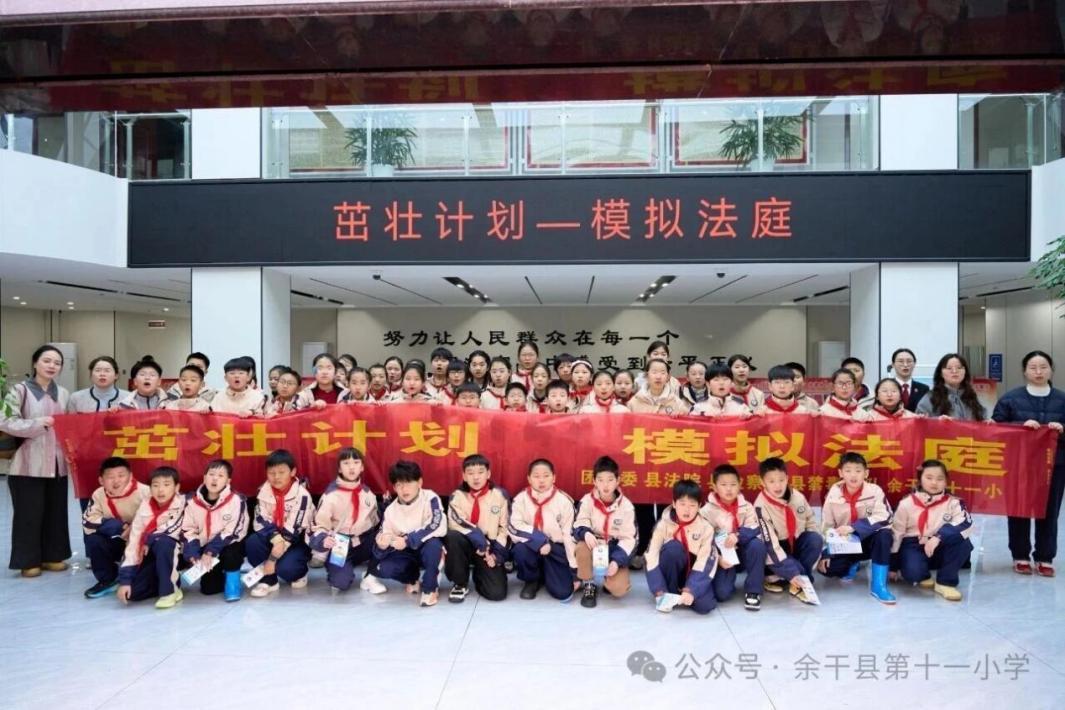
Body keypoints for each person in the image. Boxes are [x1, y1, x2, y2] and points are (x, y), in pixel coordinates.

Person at [1, 344, 73, 577]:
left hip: (57, 464)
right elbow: (5, 421)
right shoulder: (19, 391)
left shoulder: (63, 393)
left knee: (56, 512)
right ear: (35, 363)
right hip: (27, 464)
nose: (52, 366)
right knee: (28, 514)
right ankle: (28, 560)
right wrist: (37, 424)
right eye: (47, 361)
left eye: (57, 363)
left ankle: (53, 556)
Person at [992, 350, 1065, 576]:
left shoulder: (1062, 399)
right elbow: (996, 429)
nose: (1038, 372)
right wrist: (1019, 426)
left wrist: (1061, 430)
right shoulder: (1010, 398)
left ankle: (1045, 557)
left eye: (1043, 367)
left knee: (1049, 511)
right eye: (1033, 367)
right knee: (1019, 509)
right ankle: (1020, 555)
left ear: (1051, 370)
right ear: (1024, 371)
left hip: (1054, 465)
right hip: (1019, 464)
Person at [818, 452, 896, 604]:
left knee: (884, 534)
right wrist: (826, 552)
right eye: (848, 470)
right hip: (845, 543)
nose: (853, 475)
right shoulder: (833, 495)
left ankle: (878, 586)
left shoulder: (874, 491)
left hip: (869, 541)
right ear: (840, 473)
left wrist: (854, 527)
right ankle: (853, 563)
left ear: (866, 473)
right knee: (828, 569)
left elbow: (886, 517)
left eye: (858, 471)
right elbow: (827, 526)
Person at [891, 460, 974, 601]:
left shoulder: (954, 502)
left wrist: (938, 536)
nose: (934, 483)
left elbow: (965, 523)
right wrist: (892, 565)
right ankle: (922, 573)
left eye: (940, 479)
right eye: (929, 478)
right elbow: (896, 532)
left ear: (946, 481)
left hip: (942, 544)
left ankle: (945, 582)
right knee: (913, 574)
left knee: (962, 542)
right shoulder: (906, 503)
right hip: (914, 544)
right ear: (920, 479)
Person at [310, 448, 386, 594]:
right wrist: (323, 540)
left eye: (356, 463)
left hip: (364, 540)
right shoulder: (330, 496)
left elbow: (375, 520)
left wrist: (386, 507)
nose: (351, 467)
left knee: (387, 542)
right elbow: (319, 525)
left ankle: (370, 576)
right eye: (346, 463)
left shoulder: (367, 492)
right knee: (340, 583)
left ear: (362, 467)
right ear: (339, 468)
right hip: (341, 543)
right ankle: (338, 565)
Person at [373, 460, 447, 607]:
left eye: (408, 483)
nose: (404, 489)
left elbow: (435, 525)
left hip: (426, 546)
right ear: (394, 487)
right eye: (399, 485)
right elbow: (384, 532)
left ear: (419, 482)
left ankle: (430, 588)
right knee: (385, 568)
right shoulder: (391, 510)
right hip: (406, 551)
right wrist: (382, 544)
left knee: (434, 546)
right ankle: (412, 579)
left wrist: (408, 540)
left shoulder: (430, 497)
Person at [246, 449, 315, 598]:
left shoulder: (302, 495)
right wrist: (276, 539)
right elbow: (261, 520)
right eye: (271, 472)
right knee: (253, 542)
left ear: (292, 472)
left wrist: (271, 560)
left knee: (288, 569)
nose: (276, 477)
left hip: (295, 541)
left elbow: (294, 530)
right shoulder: (262, 492)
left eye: (281, 472)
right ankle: (269, 581)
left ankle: (299, 573)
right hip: (273, 537)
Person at [116, 466, 187, 609]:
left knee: (164, 542)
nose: (160, 490)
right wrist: (125, 580)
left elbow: (172, 531)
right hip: (149, 553)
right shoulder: (145, 507)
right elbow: (134, 541)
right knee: (134, 593)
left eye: (166, 485)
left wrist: (149, 539)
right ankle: (168, 580)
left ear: (177, 487)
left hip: (178, 553)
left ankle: (169, 591)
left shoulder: (183, 504)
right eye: (155, 485)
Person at [644, 480, 718, 615]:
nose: (687, 510)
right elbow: (651, 557)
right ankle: (668, 592)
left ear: (699, 506)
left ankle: (685, 592)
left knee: (705, 606)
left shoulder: (706, 528)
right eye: (682, 504)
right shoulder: (663, 524)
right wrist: (659, 589)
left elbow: (705, 561)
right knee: (673, 549)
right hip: (671, 571)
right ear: (674, 503)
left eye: (692, 505)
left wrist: (691, 589)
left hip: (693, 573)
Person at [752, 458, 822, 600]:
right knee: (792, 571)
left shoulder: (798, 497)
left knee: (815, 539)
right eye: (771, 481)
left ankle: (799, 577)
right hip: (775, 549)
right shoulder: (760, 506)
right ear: (762, 482)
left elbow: (811, 521)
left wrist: (818, 552)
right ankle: (786, 577)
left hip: (794, 542)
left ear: (787, 478)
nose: (778, 485)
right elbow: (770, 545)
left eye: (781, 480)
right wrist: (792, 571)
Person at [508, 458, 578, 601]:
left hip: (555, 549)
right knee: (521, 550)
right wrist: (540, 541)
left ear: (554, 478)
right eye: (536, 476)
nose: (541, 481)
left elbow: (569, 535)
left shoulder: (564, 501)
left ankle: (547, 574)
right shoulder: (520, 499)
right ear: (529, 479)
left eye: (546, 476)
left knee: (563, 593)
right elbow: (514, 526)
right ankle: (531, 580)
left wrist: (574, 570)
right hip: (530, 546)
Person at [444, 454, 510, 603]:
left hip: (490, 547)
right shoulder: (457, 496)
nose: (476, 477)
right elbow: (456, 522)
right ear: (464, 476)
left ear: (488, 474)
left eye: (480, 472)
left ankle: (480, 573)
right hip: (467, 542)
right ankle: (460, 583)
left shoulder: (500, 495)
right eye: (470, 473)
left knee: (497, 594)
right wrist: (480, 540)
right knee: (452, 536)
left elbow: (505, 528)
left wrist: (496, 555)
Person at [700, 464, 766, 610]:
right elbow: (704, 541)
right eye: (723, 485)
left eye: (733, 484)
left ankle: (753, 591)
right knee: (722, 594)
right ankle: (725, 578)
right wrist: (718, 559)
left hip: (743, 551)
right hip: (724, 556)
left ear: (740, 485)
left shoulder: (747, 506)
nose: (729, 489)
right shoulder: (706, 511)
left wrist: (738, 535)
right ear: (714, 487)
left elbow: (755, 528)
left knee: (757, 545)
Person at [81, 456, 149, 598]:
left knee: (138, 589)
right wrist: (119, 527)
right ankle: (107, 580)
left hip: (143, 544)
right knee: (94, 539)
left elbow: (158, 518)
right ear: (101, 481)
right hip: (119, 539)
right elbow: (88, 521)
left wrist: (134, 529)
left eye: (121, 475)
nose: (116, 481)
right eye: (110, 477)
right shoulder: (98, 494)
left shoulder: (145, 492)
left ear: (130, 476)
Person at [180, 460, 247, 601]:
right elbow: (188, 530)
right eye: (211, 474)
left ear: (228, 481)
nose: (215, 479)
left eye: (220, 475)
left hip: (228, 544)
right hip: (205, 548)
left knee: (232, 554)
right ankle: (221, 575)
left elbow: (232, 531)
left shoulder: (236, 500)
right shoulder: (191, 501)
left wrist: (210, 551)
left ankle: (233, 580)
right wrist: (193, 553)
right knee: (209, 589)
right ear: (204, 478)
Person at [573, 456, 635, 607]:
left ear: (618, 480)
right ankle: (589, 584)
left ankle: (609, 582)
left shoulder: (626, 506)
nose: (605, 485)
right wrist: (586, 533)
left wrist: (616, 561)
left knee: (619, 589)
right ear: (594, 481)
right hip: (594, 544)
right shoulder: (587, 500)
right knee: (581, 546)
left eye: (610, 480)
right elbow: (579, 523)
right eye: (600, 480)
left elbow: (630, 538)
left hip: (613, 548)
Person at [914, 353, 986, 421]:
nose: (954, 371)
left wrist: (986, 423)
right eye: (949, 368)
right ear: (941, 373)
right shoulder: (930, 397)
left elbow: (980, 419)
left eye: (959, 368)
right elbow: (920, 422)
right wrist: (937, 421)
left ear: (965, 372)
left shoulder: (971, 396)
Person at [889, 348, 929, 413]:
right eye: (901, 361)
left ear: (914, 364)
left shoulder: (924, 389)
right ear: (893, 364)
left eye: (909, 361)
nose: (905, 365)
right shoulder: (886, 387)